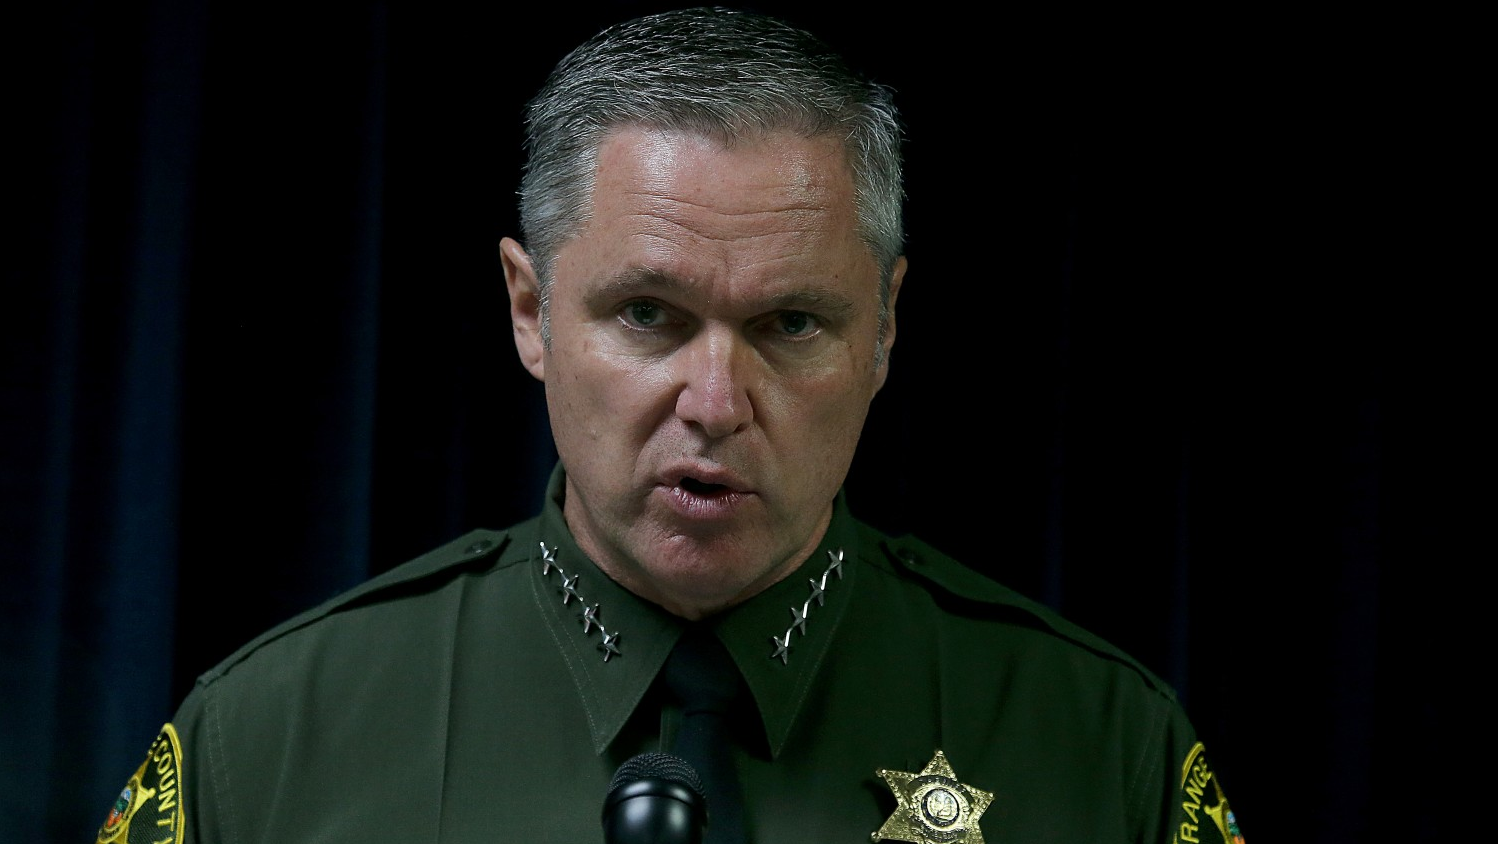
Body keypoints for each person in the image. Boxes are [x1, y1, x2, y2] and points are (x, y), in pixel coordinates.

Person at [95, 7, 1245, 843]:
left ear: (884, 329)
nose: (713, 400)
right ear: (531, 309)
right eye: (648, 314)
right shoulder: (263, 745)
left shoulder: (1108, 755)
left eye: (791, 322)